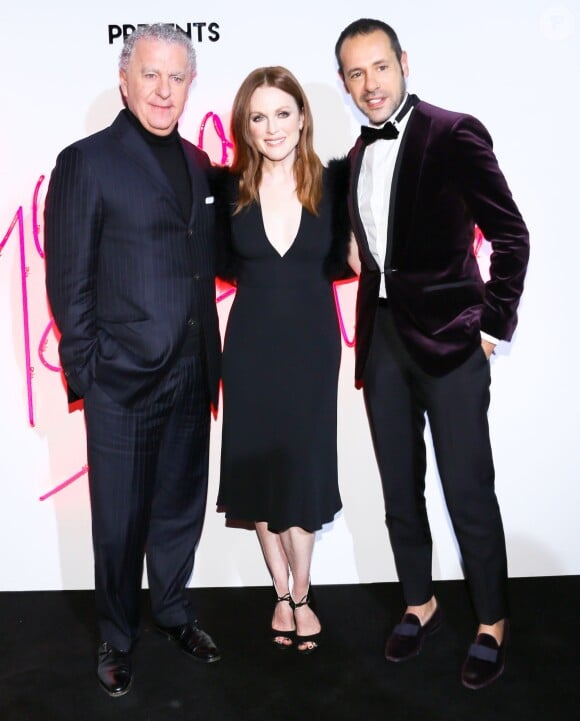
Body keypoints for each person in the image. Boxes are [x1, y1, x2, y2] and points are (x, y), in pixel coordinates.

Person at [335, 18, 529, 688]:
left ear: (403, 62)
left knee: (468, 491)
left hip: (451, 344)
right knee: (398, 491)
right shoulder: (357, 155)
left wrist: (492, 324)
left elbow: (511, 234)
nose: (370, 84)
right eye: (356, 73)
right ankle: (420, 600)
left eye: (379, 67)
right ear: (345, 83)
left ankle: (492, 621)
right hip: (382, 341)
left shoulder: (454, 133)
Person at [44, 24, 222, 697]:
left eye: (177, 77)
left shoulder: (200, 163)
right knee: (118, 522)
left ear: (189, 85)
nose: (163, 89)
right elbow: (69, 281)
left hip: (191, 374)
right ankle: (117, 636)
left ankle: (174, 611)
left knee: (179, 507)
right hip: (123, 379)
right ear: (125, 79)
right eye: (151, 74)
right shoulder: (86, 161)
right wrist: (91, 369)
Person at [214, 66, 351, 654]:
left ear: (302, 117)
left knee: (301, 470)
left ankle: (304, 584)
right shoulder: (226, 188)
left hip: (312, 350)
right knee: (261, 474)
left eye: (282, 113)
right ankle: (284, 592)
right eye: (258, 116)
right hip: (247, 350)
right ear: (245, 125)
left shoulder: (335, 182)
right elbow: (213, 261)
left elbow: (361, 255)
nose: (272, 127)